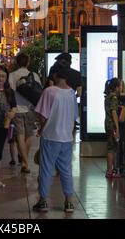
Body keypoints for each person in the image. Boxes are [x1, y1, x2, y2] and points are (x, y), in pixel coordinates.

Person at [33, 66, 78, 214]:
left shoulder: (49, 91)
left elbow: (42, 115)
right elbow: (73, 116)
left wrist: (41, 128)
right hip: (66, 138)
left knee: (46, 169)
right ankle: (69, 202)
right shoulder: (71, 93)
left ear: (56, 75)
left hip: (51, 136)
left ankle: (43, 200)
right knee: (66, 170)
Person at [9, 53, 41, 174]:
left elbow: (11, 92)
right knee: (29, 135)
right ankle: (24, 162)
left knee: (20, 136)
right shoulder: (34, 75)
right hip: (30, 109)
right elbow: (38, 91)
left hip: (17, 109)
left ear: (17, 62)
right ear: (28, 63)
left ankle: (26, 162)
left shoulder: (12, 75)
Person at [104, 78, 121, 179]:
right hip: (112, 125)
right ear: (116, 87)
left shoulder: (108, 96)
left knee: (111, 146)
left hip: (107, 123)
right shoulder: (114, 98)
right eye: (120, 86)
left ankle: (110, 170)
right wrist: (117, 127)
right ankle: (110, 171)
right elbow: (114, 112)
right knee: (112, 148)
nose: (121, 88)